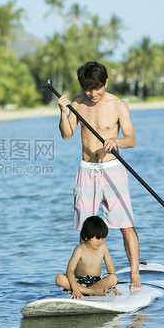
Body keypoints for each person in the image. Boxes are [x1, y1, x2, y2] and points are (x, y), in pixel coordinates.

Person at [57, 61, 142, 289]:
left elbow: (131, 140)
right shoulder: (77, 103)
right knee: (85, 230)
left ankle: (135, 276)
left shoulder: (118, 105)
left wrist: (117, 141)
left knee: (125, 224)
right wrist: (64, 113)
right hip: (86, 170)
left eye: (97, 88)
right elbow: (66, 135)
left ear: (106, 82)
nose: (93, 94)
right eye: (87, 89)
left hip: (112, 169)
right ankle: (86, 281)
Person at [55, 215, 121, 298]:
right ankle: (91, 292)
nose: (101, 241)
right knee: (59, 278)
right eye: (97, 238)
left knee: (113, 278)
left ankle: (84, 291)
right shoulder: (80, 249)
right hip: (79, 281)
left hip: (97, 282)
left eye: (103, 238)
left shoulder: (103, 247)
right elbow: (70, 270)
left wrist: (113, 287)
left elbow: (110, 267)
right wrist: (75, 287)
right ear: (86, 236)